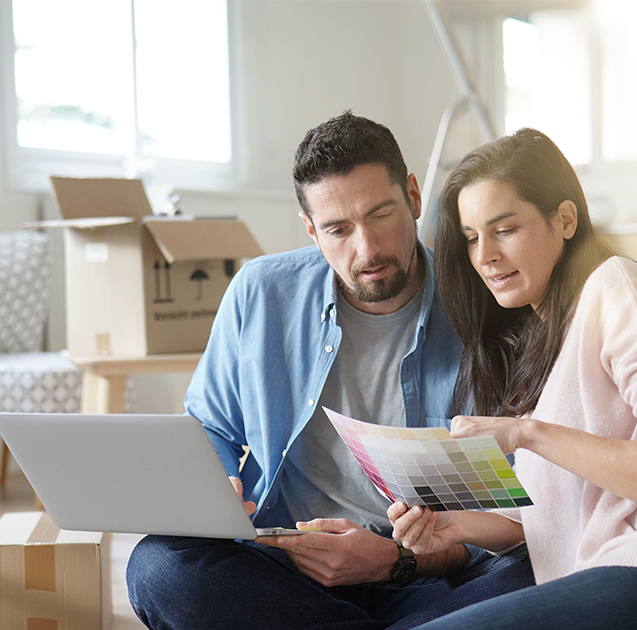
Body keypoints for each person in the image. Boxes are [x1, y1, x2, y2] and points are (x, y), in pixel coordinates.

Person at [125, 112, 536, 629]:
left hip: (427, 574)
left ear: (412, 197)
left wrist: (394, 560)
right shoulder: (260, 293)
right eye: (338, 229)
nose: (367, 250)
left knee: (537, 570)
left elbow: (511, 515)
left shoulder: (489, 311)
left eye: (381, 214)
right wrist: (218, 484)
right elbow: (210, 426)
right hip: (282, 571)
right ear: (311, 230)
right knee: (159, 567)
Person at [386, 127, 637, 629]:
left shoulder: (619, 287)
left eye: (505, 229)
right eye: (471, 238)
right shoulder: (544, 334)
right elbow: (558, 510)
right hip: (620, 572)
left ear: (564, 219)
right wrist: (452, 527)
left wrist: (527, 434)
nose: (484, 255)